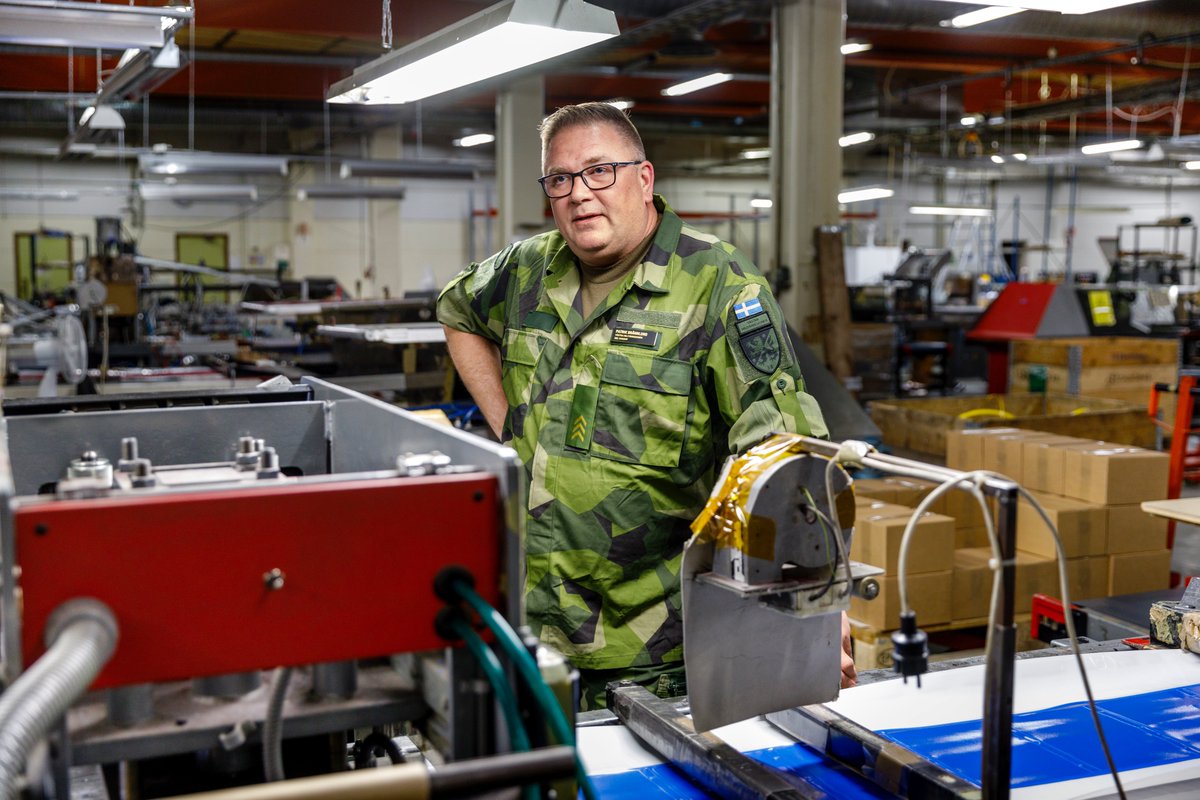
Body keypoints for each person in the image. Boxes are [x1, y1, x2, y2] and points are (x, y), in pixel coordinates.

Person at [437, 102, 852, 709]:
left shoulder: (718, 284)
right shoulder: (529, 269)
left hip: (652, 659)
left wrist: (815, 601)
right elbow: (456, 310)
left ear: (644, 178)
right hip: (530, 635)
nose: (579, 193)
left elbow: (781, 450)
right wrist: (508, 429)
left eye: (600, 171)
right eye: (561, 178)